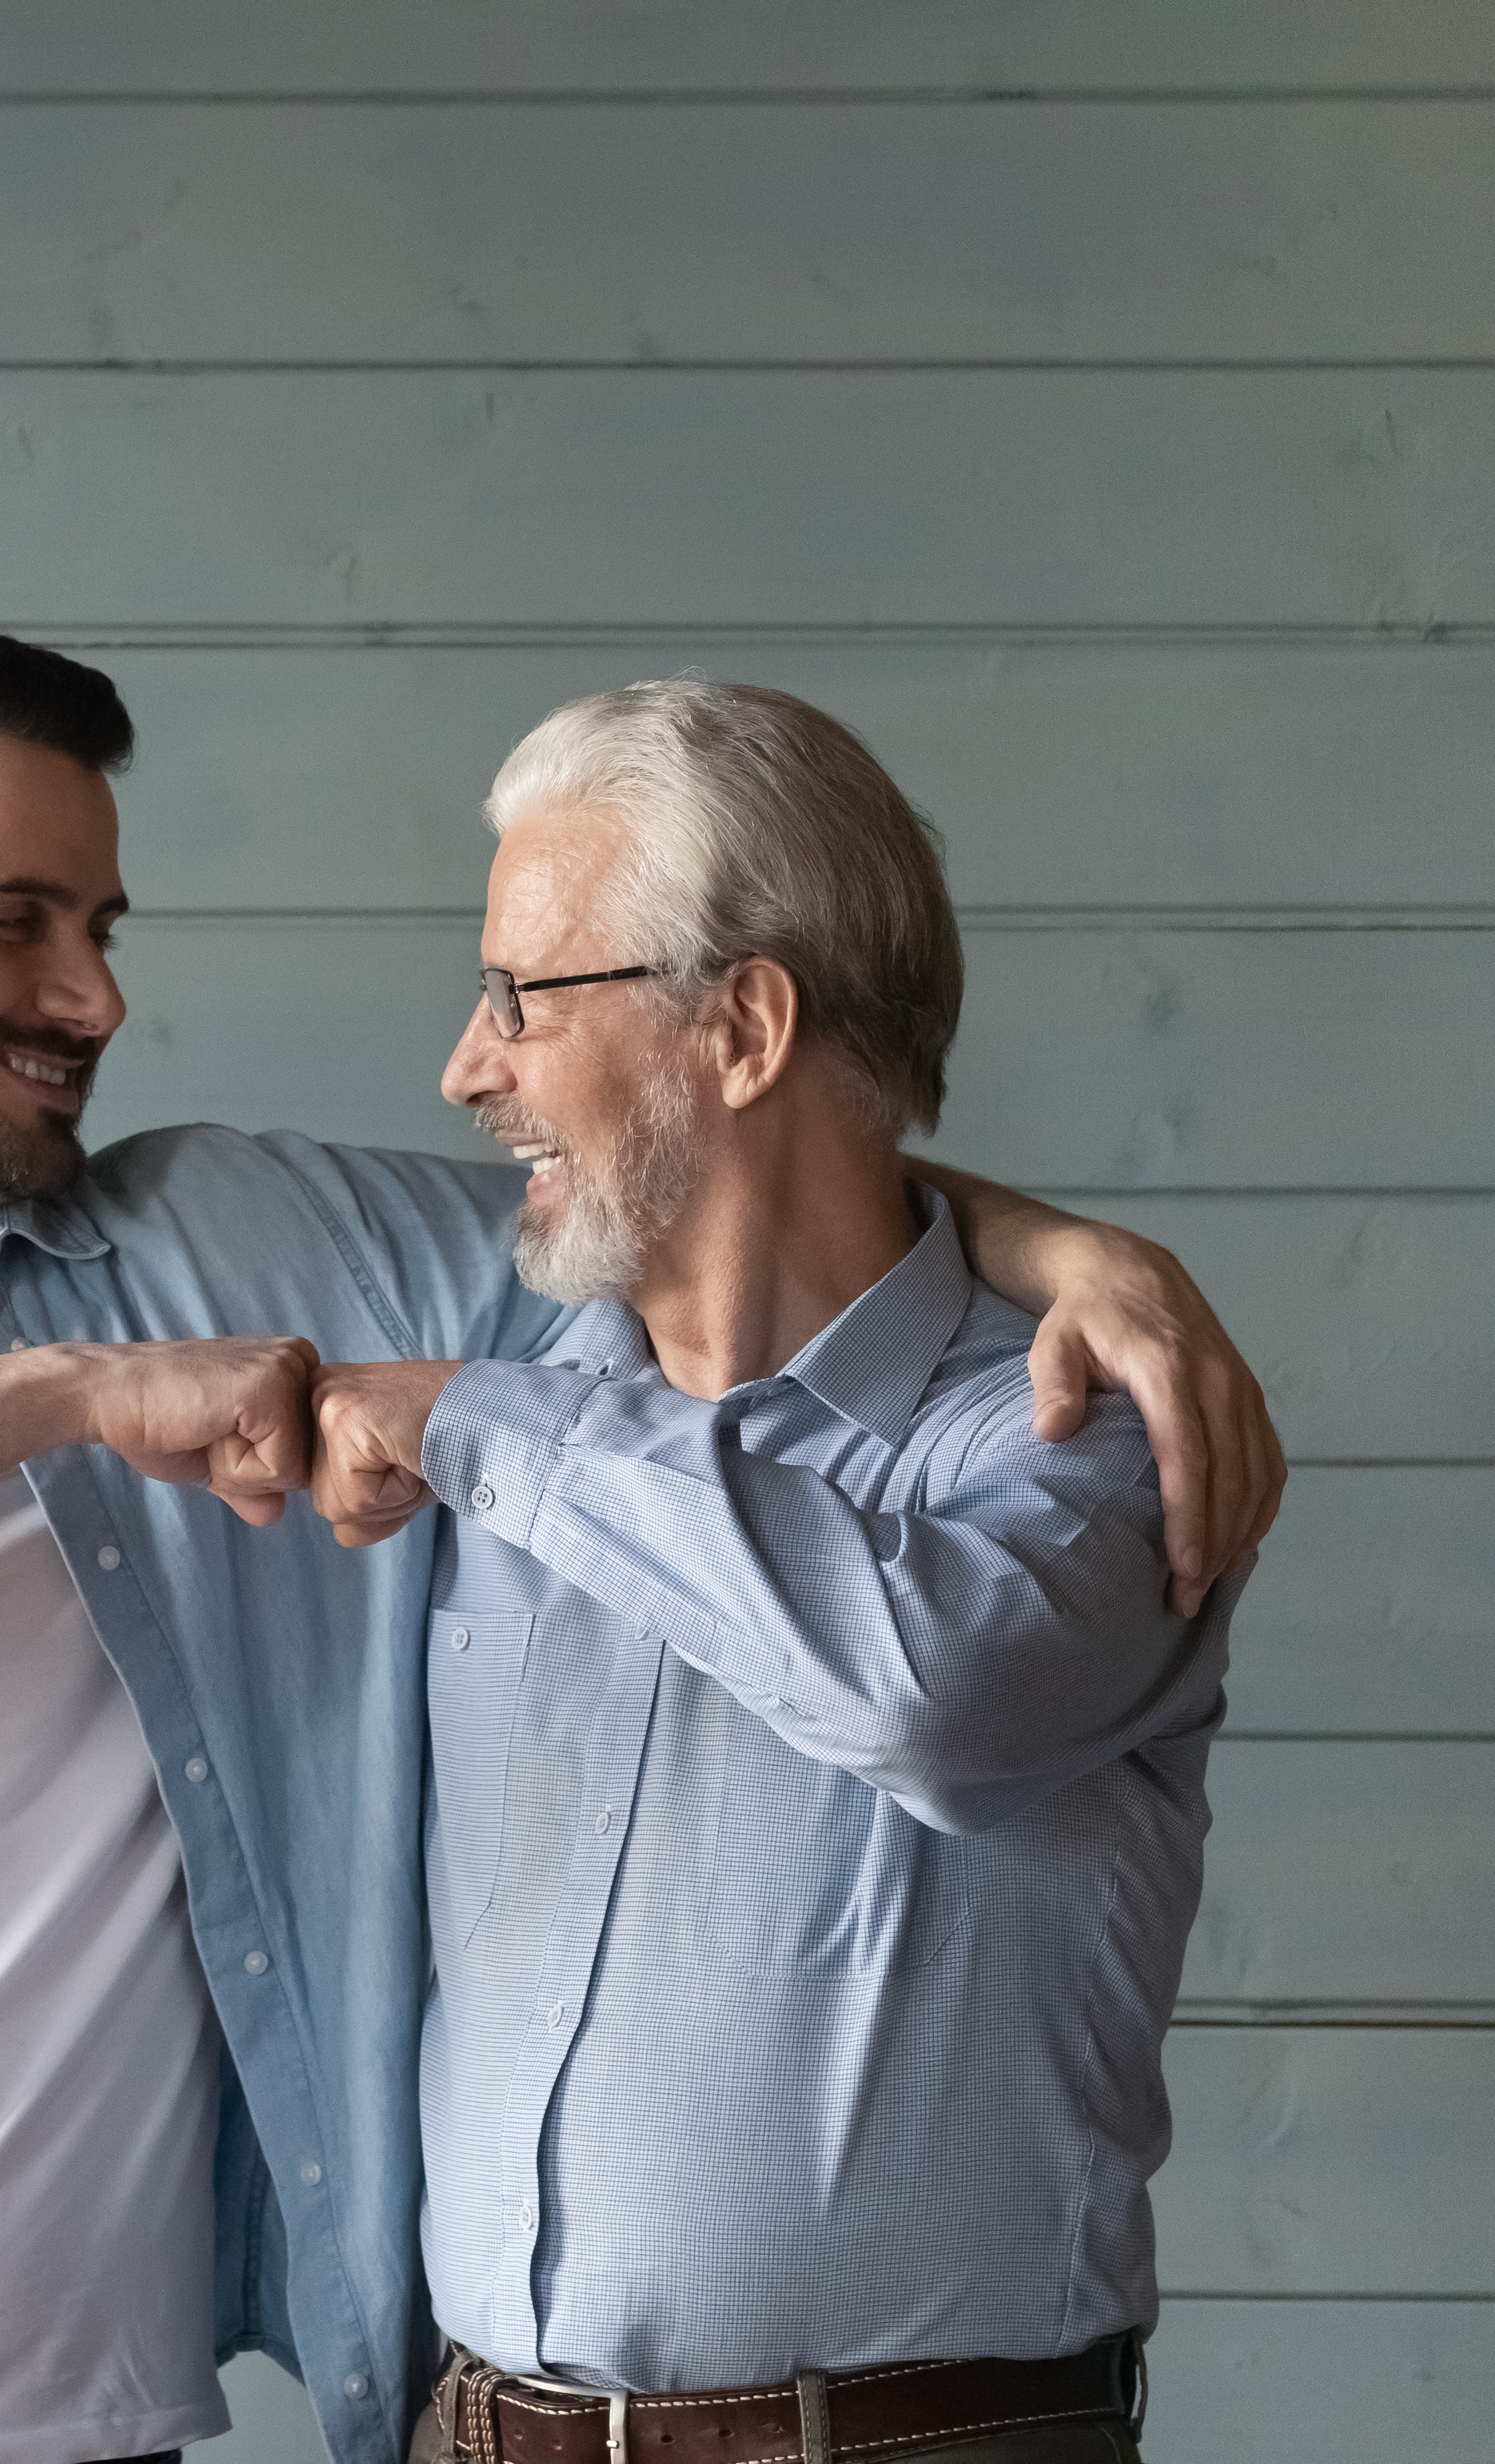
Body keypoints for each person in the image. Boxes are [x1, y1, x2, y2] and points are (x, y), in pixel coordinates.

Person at [0, 630, 1277, 2464]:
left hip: (97, 2429)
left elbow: (685, 1185)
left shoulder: (232, 1248)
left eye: (100, 928)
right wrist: (74, 1403)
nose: (94, 995)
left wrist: (1062, 1247)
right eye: (15, 919)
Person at [301, 682, 1237, 2463]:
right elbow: (44, 1225)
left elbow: (929, 1688)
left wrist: (484, 1430)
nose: (467, 1064)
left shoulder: (1087, 1430)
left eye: (522, 995)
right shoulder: (519, 1360)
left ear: (742, 1026)